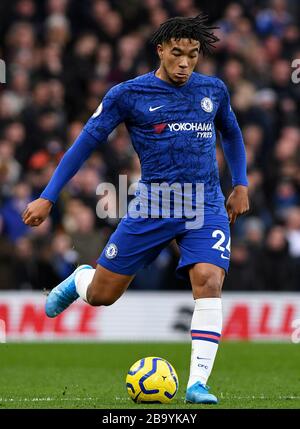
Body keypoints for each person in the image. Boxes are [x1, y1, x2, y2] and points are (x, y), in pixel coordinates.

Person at [22, 15, 249, 404]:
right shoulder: (128, 94)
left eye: (192, 56)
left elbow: (231, 132)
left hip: (205, 202)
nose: (184, 63)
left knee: (209, 280)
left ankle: (197, 383)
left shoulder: (213, 89)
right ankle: (81, 280)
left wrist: (240, 183)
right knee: (102, 296)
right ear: (160, 50)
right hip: (153, 205)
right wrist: (49, 195)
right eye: (177, 54)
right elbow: (83, 144)